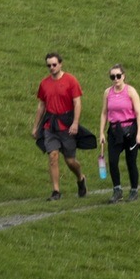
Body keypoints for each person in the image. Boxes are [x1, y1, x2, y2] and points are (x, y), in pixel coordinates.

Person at [32, 52, 88, 200]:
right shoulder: (44, 83)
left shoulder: (71, 80)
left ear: (60, 64)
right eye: (49, 65)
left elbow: (77, 102)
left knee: (70, 161)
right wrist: (36, 127)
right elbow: (41, 106)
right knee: (53, 156)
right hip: (50, 125)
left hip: (67, 124)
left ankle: (81, 178)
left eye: (54, 64)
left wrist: (75, 123)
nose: (51, 67)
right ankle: (56, 191)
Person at [97, 65, 140, 202]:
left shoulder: (130, 91)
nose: (116, 79)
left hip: (130, 130)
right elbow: (104, 113)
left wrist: (139, 133)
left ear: (123, 76)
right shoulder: (108, 93)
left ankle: (134, 191)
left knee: (131, 162)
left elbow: (139, 113)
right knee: (112, 161)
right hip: (114, 131)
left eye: (118, 76)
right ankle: (117, 190)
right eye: (113, 77)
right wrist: (101, 133)